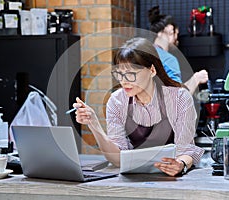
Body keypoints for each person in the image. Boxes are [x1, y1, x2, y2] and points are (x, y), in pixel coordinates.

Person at [74, 37, 204, 177]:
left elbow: (185, 150)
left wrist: (180, 164)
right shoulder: (117, 101)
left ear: (152, 70)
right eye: (119, 74)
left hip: (172, 177)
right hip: (134, 177)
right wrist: (94, 124)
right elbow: (117, 159)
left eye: (131, 74)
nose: (124, 81)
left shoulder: (179, 98)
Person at [148, 6, 208, 94]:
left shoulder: (144, 53)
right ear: (169, 30)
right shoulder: (168, 59)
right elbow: (176, 96)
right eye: (176, 33)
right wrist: (196, 78)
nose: (177, 39)